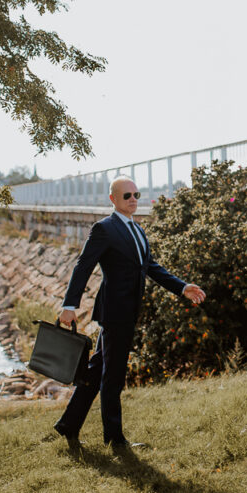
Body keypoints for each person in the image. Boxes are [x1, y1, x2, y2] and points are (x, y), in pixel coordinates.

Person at [53, 176, 206, 451]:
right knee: (112, 376)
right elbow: (83, 265)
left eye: (136, 194)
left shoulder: (137, 229)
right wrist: (69, 306)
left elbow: (150, 267)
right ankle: (115, 440)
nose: (133, 199)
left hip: (128, 311)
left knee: (96, 370)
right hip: (115, 313)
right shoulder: (104, 228)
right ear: (113, 199)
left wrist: (182, 287)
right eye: (127, 196)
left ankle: (68, 424)